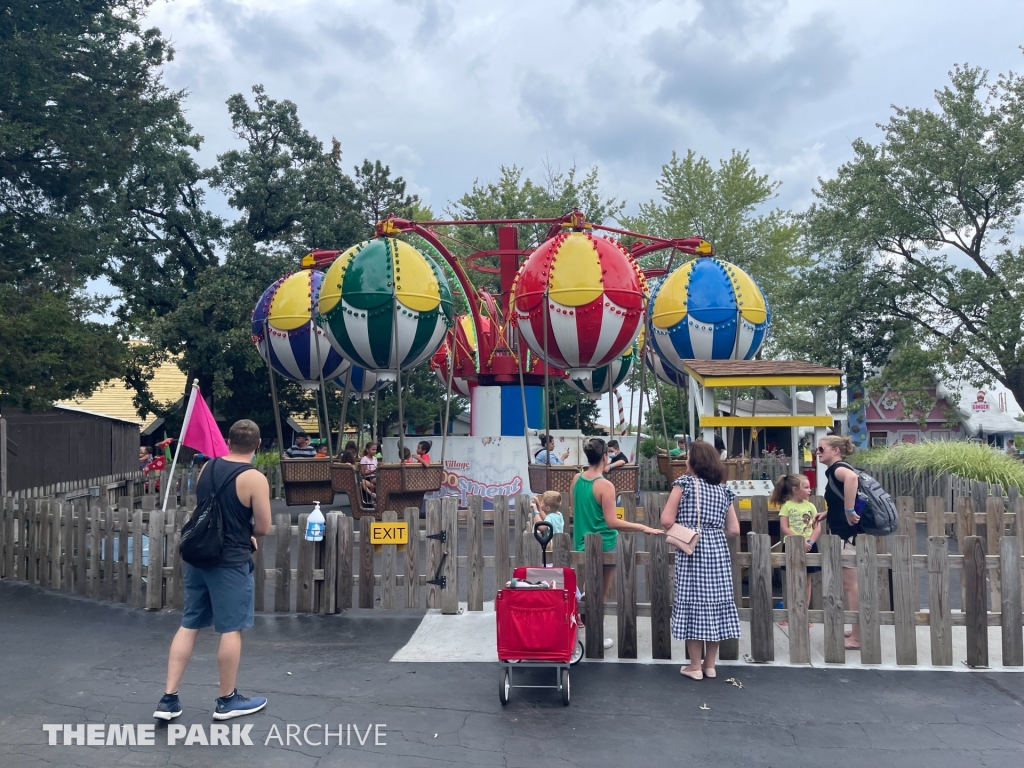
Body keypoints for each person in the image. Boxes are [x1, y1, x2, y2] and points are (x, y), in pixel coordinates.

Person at [154, 420, 271, 722]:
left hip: (198, 556)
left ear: (229, 442)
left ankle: (169, 699)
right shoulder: (254, 478)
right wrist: (248, 533)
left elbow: (205, 508)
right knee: (230, 628)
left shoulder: (208, 468)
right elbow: (263, 526)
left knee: (189, 622)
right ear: (258, 445)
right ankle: (227, 699)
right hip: (229, 561)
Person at [659, 439, 741, 680]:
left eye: (687, 457)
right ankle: (710, 665)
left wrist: (694, 532)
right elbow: (734, 530)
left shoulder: (683, 484)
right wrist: (714, 533)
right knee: (715, 604)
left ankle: (694, 666)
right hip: (717, 550)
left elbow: (666, 520)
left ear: (695, 461)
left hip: (691, 549)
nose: (685, 460)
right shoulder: (724, 490)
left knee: (693, 603)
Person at [572, 438, 663, 649]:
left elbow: (573, 509)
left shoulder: (576, 479)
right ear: (605, 457)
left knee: (588, 588)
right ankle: (596, 635)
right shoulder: (605, 485)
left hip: (582, 543)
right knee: (600, 594)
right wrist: (642, 527)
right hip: (604, 544)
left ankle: (582, 623)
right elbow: (612, 521)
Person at [818, 434, 862, 650]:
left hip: (847, 535)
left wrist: (849, 511)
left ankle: (858, 636)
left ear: (835, 450)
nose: (817, 453)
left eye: (821, 449)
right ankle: (856, 630)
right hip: (844, 531)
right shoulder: (834, 471)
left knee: (850, 585)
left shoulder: (838, 469)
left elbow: (852, 479)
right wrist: (827, 513)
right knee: (850, 584)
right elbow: (841, 496)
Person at [769, 473, 822, 626]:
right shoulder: (787, 507)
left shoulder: (811, 506)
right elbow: (784, 527)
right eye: (806, 487)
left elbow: (817, 528)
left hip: (809, 547)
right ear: (795, 489)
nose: (809, 490)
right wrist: (799, 541)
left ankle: (803, 614)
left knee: (807, 581)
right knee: (792, 580)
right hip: (792, 546)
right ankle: (789, 613)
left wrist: (810, 542)